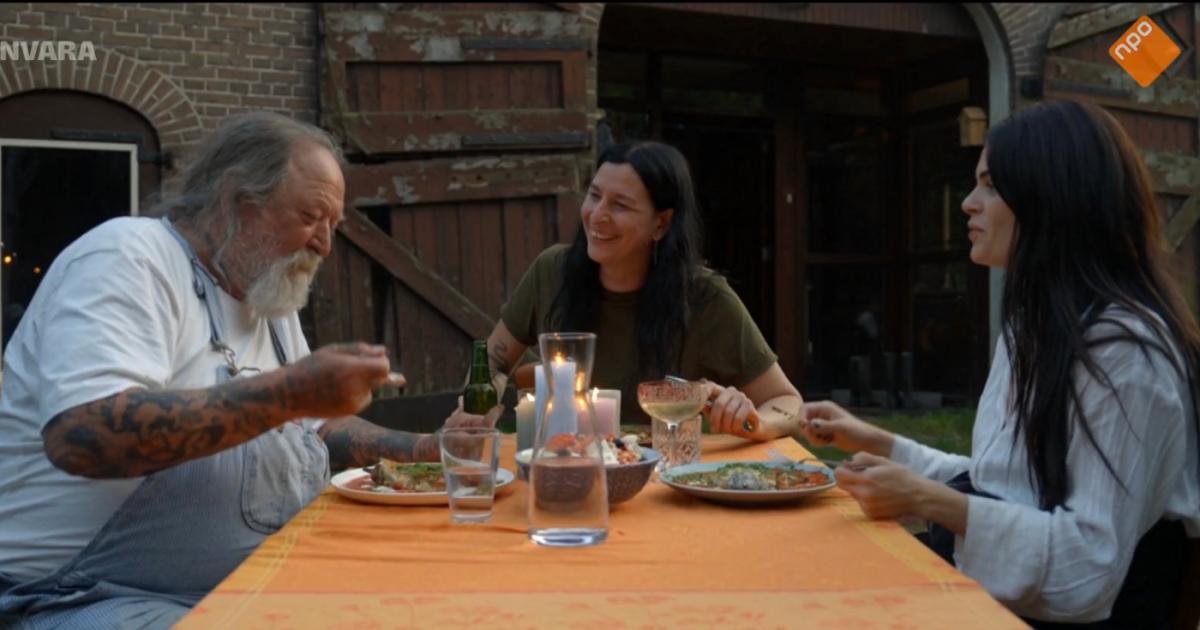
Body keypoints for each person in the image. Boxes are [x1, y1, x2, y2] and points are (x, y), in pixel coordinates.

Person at [0, 112, 497, 629]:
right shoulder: (129, 257)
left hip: (242, 583)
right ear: (237, 201)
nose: (325, 245)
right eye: (310, 217)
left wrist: (429, 454)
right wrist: (288, 392)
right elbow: (84, 434)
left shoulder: (267, 299)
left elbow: (315, 430)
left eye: (332, 226)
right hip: (70, 596)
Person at [799, 100, 1199, 626]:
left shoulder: (1125, 355)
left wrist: (932, 501)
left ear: (1050, 197)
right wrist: (876, 440)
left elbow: (1088, 569)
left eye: (990, 184)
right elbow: (1002, 485)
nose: (968, 203)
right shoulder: (1039, 328)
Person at [486, 140, 803, 439]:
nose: (597, 215)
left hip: (667, 480)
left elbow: (787, 401)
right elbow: (492, 360)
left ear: (661, 224)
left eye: (620, 205)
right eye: (594, 196)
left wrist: (756, 422)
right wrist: (476, 406)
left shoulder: (705, 298)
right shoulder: (551, 270)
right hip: (563, 468)